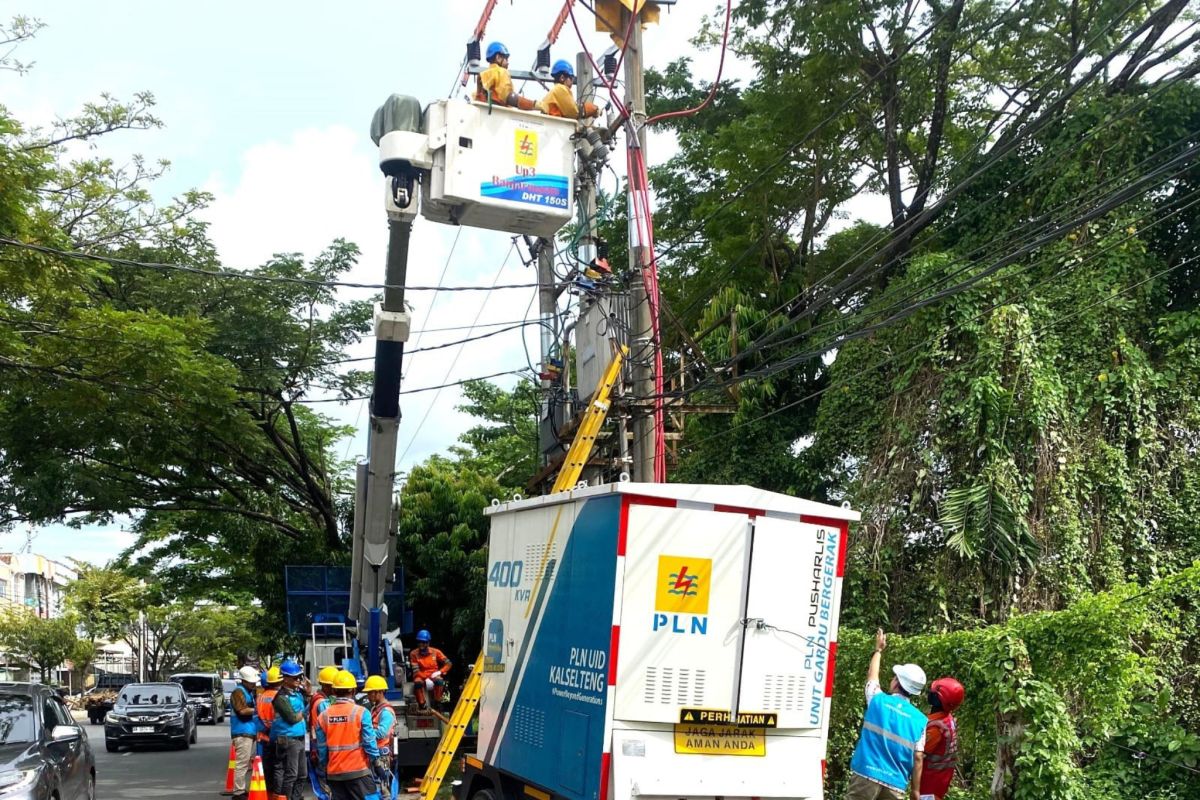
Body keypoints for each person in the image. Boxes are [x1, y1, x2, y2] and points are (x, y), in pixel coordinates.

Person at [846, 629, 928, 800]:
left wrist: (878, 650)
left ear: (897, 682)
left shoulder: (877, 700)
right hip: (895, 783)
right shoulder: (921, 720)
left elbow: (872, 678)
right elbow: (918, 757)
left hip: (866, 774)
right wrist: (915, 791)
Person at [316, 670, 382, 800]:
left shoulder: (323, 716)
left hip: (335, 773)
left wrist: (323, 767)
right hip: (359, 772)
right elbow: (369, 741)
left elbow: (322, 748)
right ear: (353, 690)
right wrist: (377, 763)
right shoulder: (361, 712)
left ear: (334, 691)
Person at [919, 677, 964, 800]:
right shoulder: (947, 719)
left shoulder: (935, 729)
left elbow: (917, 755)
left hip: (928, 788)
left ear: (938, 699)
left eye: (933, 692)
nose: (929, 693)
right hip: (939, 784)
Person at [271, 658, 309, 800]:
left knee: (302, 774)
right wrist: (304, 712)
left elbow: (303, 709)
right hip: (288, 739)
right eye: (295, 677)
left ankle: (295, 797)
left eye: (299, 677)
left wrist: (308, 692)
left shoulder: (298, 694)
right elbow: (292, 718)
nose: (298, 680)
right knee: (291, 774)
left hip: (299, 738)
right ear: (285, 679)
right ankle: (286, 797)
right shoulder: (280, 698)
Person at [228, 666, 260, 800]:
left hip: (248, 732)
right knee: (242, 763)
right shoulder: (238, 692)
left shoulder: (248, 692)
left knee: (245, 763)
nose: (253, 684)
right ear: (244, 681)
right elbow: (242, 711)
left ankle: (241, 789)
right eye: (251, 682)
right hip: (242, 733)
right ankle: (238, 792)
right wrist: (258, 710)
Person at [475, 41, 536, 110]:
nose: (508, 62)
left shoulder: (486, 75)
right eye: (506, 58)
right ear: (498, 58)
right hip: (497, 114)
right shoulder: (500, 72)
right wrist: (534, 104)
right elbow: (509, 97)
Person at [364, 676, 397, 800]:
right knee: (376, 786)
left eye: (370, 692)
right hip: (375, 752)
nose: (368, 695)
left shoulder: (386, 712)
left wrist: (365, 732)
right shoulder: (375, 709)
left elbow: (382, 733)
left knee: (383, 789)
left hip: (382, 755)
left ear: (379, 692)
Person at [309, 666, 338, 796]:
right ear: (326, 686)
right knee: (327, 786)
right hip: (323, 747)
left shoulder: (316, 698)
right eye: (334, 686)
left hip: (317, 744)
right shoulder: (322, 703)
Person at [256, 665, 283, 796]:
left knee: (267, 767)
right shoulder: (279, 697)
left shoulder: (260, 697)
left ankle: (269, 792)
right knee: (279, 767)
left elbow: (257, 718)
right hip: (278, 736)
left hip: (264, 737)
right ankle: (277, 793)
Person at [409, 629, 452, 710]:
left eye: (423, 642)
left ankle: (437, 702)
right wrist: (426, 679)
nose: (421, 645)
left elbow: (448, 663)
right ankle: (422, 704)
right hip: (420, 675)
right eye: (419, 642)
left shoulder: (435, 652)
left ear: (428, 643)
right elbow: (416, 671)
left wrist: (440, 672)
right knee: (417, 682)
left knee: (439, 681)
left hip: (433, 674)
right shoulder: (413, 654)